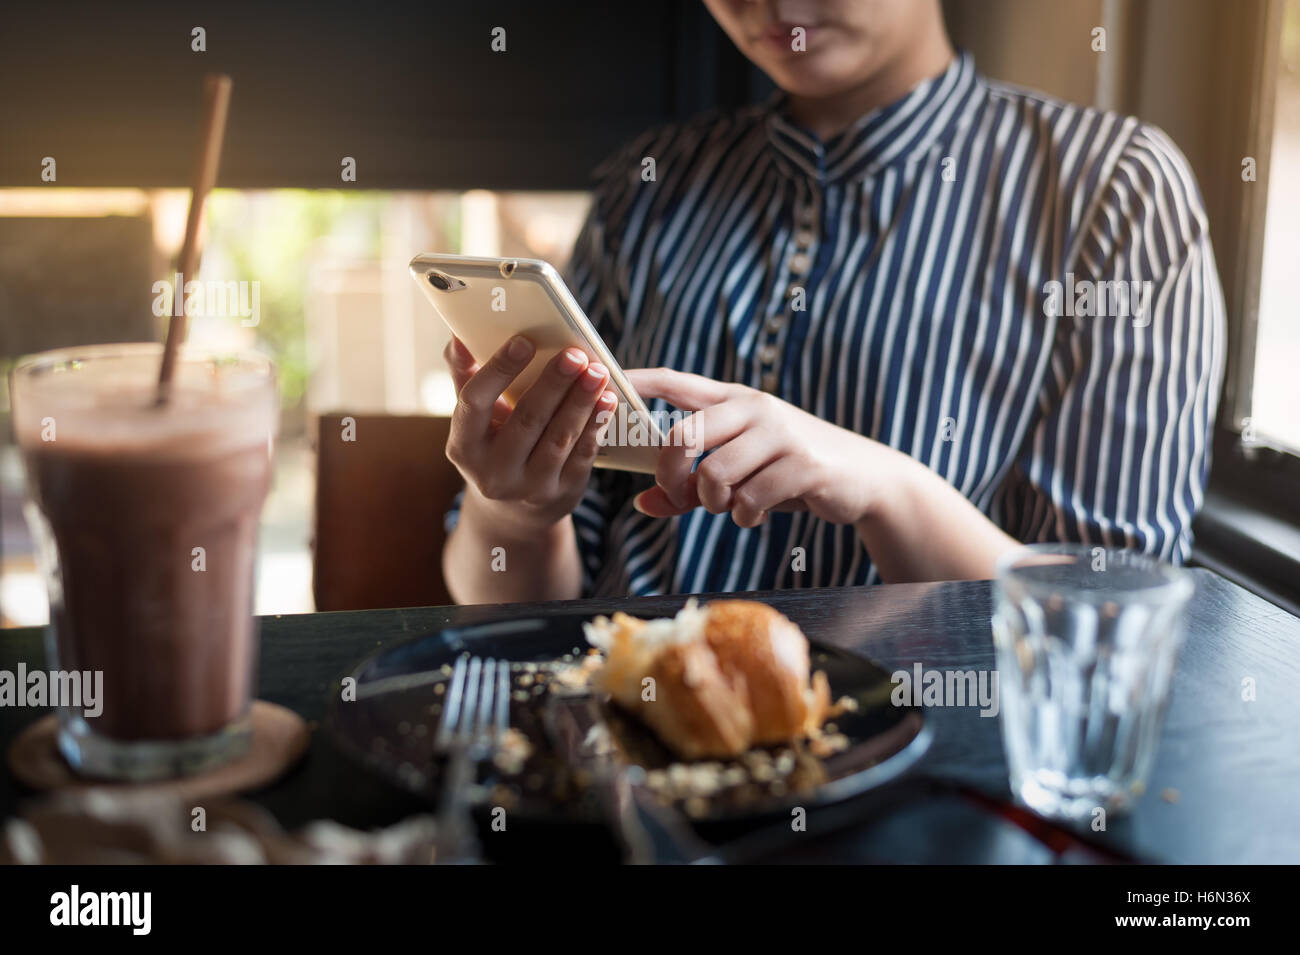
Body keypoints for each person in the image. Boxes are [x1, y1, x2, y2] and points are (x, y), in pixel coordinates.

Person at [442, 0, 1225, 603]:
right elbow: (513, 607)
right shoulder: (650, 180)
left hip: (930, 777)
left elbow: (1114, 613)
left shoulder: (1113, 193)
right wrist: (513, 512)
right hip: (617, 756)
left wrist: (890, 492)